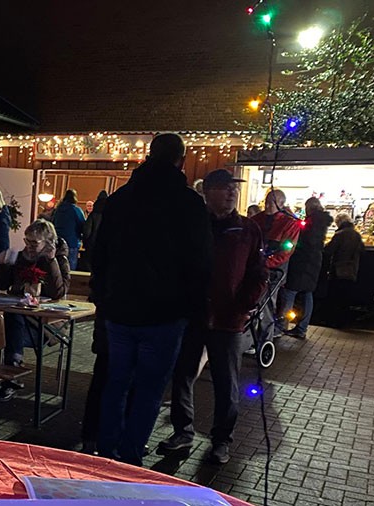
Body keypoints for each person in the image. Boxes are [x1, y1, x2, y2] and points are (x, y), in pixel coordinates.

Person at [89, 133, 212, 466]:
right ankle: (130, 456)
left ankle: (107, 451)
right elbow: (200, 263)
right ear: (181, 161)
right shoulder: (188, 203)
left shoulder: (121, 199)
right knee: (149, 389)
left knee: (116, 382)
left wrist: (104, 296)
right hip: (165, 314)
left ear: (148, 156)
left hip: (120, 309)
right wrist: (196, 310)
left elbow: (100, 253)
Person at [159, 169, 267, 465]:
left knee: (226, 382)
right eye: (224, 187)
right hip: (192, 316)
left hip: (228, 319)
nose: (232, 192)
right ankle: (183, 431)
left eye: (234, 187)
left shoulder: (247, 229)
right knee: (182, 375)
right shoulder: (192, 226)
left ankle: (221, 440)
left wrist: (243, 305)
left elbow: (259, 272)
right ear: (206, 192)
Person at [0, 219, 70, 401]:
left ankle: (11, 373)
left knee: (10, 322)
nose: (28, 246)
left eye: (34, 242)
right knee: (2, 320)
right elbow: (2, 285)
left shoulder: (59, 260)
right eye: (26, 241)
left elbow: (58, 292)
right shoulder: (21, 257)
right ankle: (10, 371)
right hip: (21, 319)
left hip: (47, 324)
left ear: (48, 243)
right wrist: (3, 265)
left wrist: (51, 261)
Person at [276, 198, 333, 339]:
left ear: (309, 208)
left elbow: (304, 236)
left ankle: (281, 326)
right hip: (314, 263)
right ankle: (302, 327)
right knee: (308, 294)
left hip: (302, 262)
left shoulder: (312, 222)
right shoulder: (320, 221)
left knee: (290, 292)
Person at [249, 189, 301, 344]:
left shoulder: (289, 223)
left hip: (273, 271)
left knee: (267, 303)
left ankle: (264, 339)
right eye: (266, 201)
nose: (267, 205)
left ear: (281, 204)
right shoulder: (257, 220)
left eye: (272, 202)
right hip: (255, 267)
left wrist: (265, 262)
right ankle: (249, 337)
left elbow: (285, 252)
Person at [321, 214, 364, 327]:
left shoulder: (340, 234)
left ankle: (333, 320)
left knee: (335, 296)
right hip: (351, 270)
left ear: (339, 222)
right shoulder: (356, 234)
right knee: (345, 297)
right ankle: (343, 321)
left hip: (338, 269)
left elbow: (329, 250)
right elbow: (362, 250)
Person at [52, 189, 85, 270]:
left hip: (58, 241)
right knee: (70, 268)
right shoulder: (76, 210)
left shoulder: (57, 210)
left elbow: (52, 223)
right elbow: (83, 226)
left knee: (58, 266)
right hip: (72, 242)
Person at [79, 189, 108, 271]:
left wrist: (85, 242)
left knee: (89, 266)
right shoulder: (111, 215)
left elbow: (87, 231)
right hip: (105, 245)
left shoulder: (93, 215)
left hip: (92, 244)